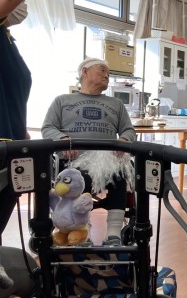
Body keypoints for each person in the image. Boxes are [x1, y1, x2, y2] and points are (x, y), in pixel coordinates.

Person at [0, 0, 63, 290]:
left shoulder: (7, 39)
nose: (21, 5)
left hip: (10, 142)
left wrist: (22, 132)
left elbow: (11, 90)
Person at [41, 58, 136, 246]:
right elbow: (48, 127)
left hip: (107, 161)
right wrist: (62, 139)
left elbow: (128, 130)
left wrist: (124, 141)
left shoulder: (116, 104)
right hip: (73, 162)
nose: (107, 75)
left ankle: (113, 234)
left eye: (108, 73)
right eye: (102, 70)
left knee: (119, 175)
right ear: (85, 72)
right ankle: (81, 231)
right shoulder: (62, 101)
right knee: (77, 180)